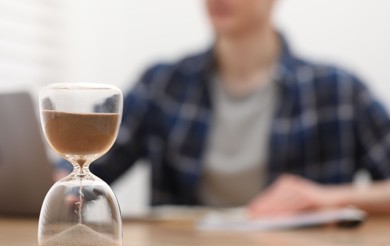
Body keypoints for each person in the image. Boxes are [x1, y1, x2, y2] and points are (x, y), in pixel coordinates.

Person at [58, 0, 390, 216]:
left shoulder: (338, 91)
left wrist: (327, 199)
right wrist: (46, 181)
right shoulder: (162, 84)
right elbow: (81, 169)